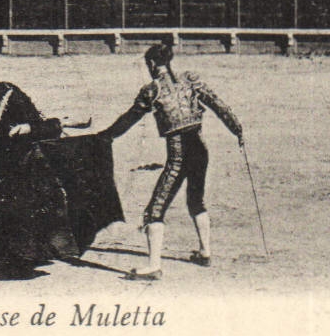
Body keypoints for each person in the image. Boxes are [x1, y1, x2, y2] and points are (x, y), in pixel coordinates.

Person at [102, 42, 243, 280]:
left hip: (179, 154)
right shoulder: (190, 81)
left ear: (152, 64)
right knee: (196, 200)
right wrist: (237, 129)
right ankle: (205, 252)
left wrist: (106, 136)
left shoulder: (152, 90)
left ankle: (154, 267)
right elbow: (218, 105)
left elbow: (130, 118)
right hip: (200, 150)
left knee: (155, 209)